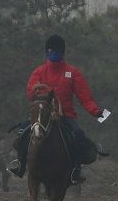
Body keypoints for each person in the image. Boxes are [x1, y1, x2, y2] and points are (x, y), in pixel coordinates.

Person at [8, 34, 104, 184]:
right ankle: (20, 164)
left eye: (58, 51)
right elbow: (30, 92)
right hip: (42, 114)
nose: (55, 54)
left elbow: (85, 97)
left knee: (78, 136)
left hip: (66, 115)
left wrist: (96, 111)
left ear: (63, 53)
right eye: (52, 51)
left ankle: (75, 170)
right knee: (22, 132)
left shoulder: (72, 73)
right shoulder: (39, 72)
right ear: (47, 52)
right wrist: (41, 92)